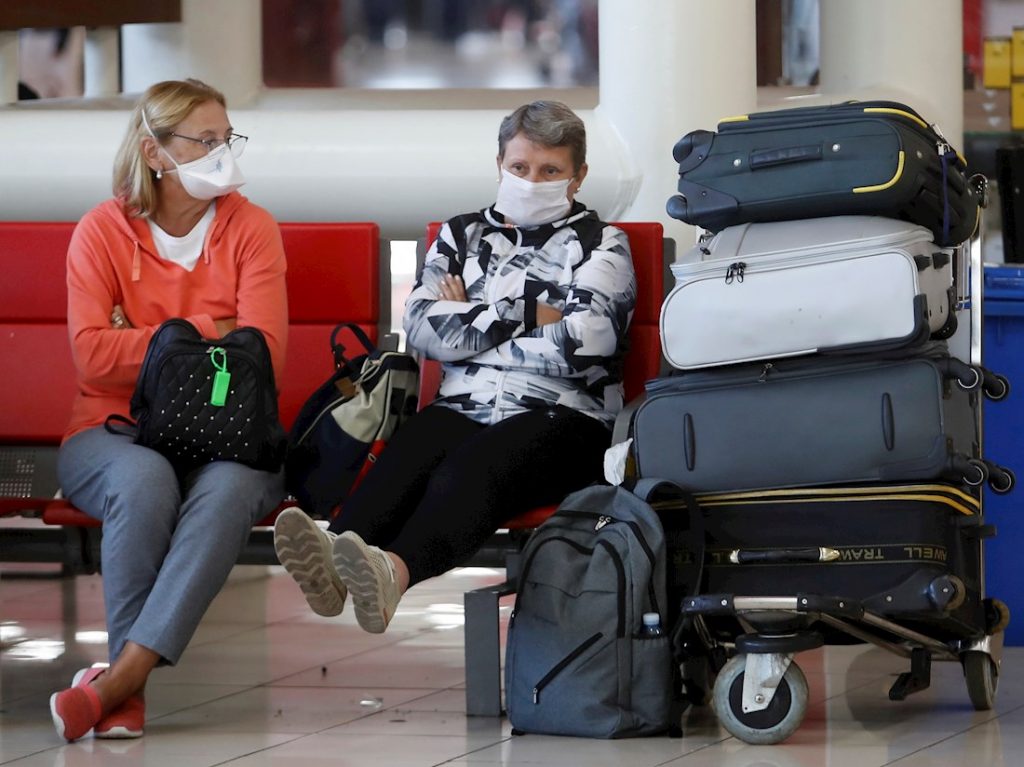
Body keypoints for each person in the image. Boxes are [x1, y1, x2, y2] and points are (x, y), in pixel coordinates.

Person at [274, 100, 636, 635]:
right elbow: (422, 328)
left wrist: (470, 323)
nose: (532, 181)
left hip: (566, 416)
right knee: (413, 449)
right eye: (520, 168)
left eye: (550, 171)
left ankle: (392, 574)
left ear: (578, 177)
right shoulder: (460, 234)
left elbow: (585, 343)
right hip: (463, 405)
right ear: (498, 165)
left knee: (466, 468)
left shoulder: (603, 243)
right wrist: (532, 313)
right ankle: (332, 562)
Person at [49, 79, 288, 742]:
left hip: (231, 440)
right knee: (145, 477)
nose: (223, 153)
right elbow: (92, 359)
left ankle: (121, 684)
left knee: (231, 489)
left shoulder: (252, 228)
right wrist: (206, 329)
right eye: (205, 141)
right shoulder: (103, 231)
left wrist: (149, 338)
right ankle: (123, 686)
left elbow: (263, 354)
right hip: (109, 430)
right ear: (156, 152)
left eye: (226, 138)